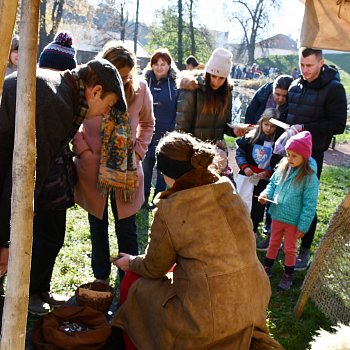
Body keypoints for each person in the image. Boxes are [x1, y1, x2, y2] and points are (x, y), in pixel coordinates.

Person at [111, 131, 282, 350]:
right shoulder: (226, 187)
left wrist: (131, 262)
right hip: (252, 302)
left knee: (135, 287)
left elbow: (154, 267)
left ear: (165, 173)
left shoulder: (171, 207)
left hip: (208, 315)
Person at [0, 58, 127, 285]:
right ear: (96, 91)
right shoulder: (56, 102)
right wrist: (5, 240)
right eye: (107, 106)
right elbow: (24, 177)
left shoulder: (59, 90)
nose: (104, 114)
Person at [72, 42, 154, 283]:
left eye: (127, 75)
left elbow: (148, 124)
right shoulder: (90, 88)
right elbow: (74, 119)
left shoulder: (140, 90)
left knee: (126, 228)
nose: (123, 80)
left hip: (126, 171)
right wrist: (83, 150)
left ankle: (128, 278)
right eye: (118, 75)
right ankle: (100, 278)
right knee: (97, 226)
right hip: (93, 169)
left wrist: (138, 153)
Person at [28, 31, 78, 315]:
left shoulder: (65, 96)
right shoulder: (29, 90)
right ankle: (31, 292)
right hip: (35, 176)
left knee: (54, 238)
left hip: (56, 180)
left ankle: (42, 288)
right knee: (38, 240)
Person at [286, 47, 347, 270]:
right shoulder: (295, 85)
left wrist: (305, 128)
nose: (304, 70)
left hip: (313, 156)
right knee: (284, 196)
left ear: (321, 63)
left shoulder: (334, 89)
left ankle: (304, 250)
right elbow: (288, 116)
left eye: (309, 65)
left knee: (306, 202)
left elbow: (338, 124)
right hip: (288, 155)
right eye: (302, 65)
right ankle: (281, 238)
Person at [258, 131, 319, 290]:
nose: (290, 158)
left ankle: (288, 274)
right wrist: (265, 194)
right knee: (273, 243)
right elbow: (272, 184)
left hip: (293, 221)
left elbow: (310, 204)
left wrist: (303, 226)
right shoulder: (282, 168)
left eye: (294, 156)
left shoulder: (309, 177)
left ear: (304, 157)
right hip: (277, 215)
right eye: (288, 154)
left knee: (289, 248)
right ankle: (267, 267)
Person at [176, 48, 245, 176]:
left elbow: (225, 125)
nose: (216, 82)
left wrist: (234, 131)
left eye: (221, 78)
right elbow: (181, 128)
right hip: (192, 155)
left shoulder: (227, 93)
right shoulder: (193, 89)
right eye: (213, 76)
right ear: (207, 72)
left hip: (215, 157)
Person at [142, 48, 179, 210]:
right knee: (146, 167)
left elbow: (179, 108)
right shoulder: (144, 82)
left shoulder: (175, 84)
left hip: (166, 132)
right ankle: (142, 199)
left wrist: (172, 129)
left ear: (169, 65)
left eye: (163, 64)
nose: (159, 67)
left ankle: (158, 201)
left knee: (163, 169)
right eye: (156, 64)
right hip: (146, 131)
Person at [235, 108, 277, 236]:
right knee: (240, 200)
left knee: (258, 204)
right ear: (261, 123)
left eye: (272, 126)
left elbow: (275, 162)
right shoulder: (250, 137)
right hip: (246, 176)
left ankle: (253, 229)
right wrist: (245, 167)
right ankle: (237, 225)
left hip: (262, 179)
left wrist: (267, 173)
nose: (268, 128)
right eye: (266, 124)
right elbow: (240, 152)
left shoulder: (277, 143)